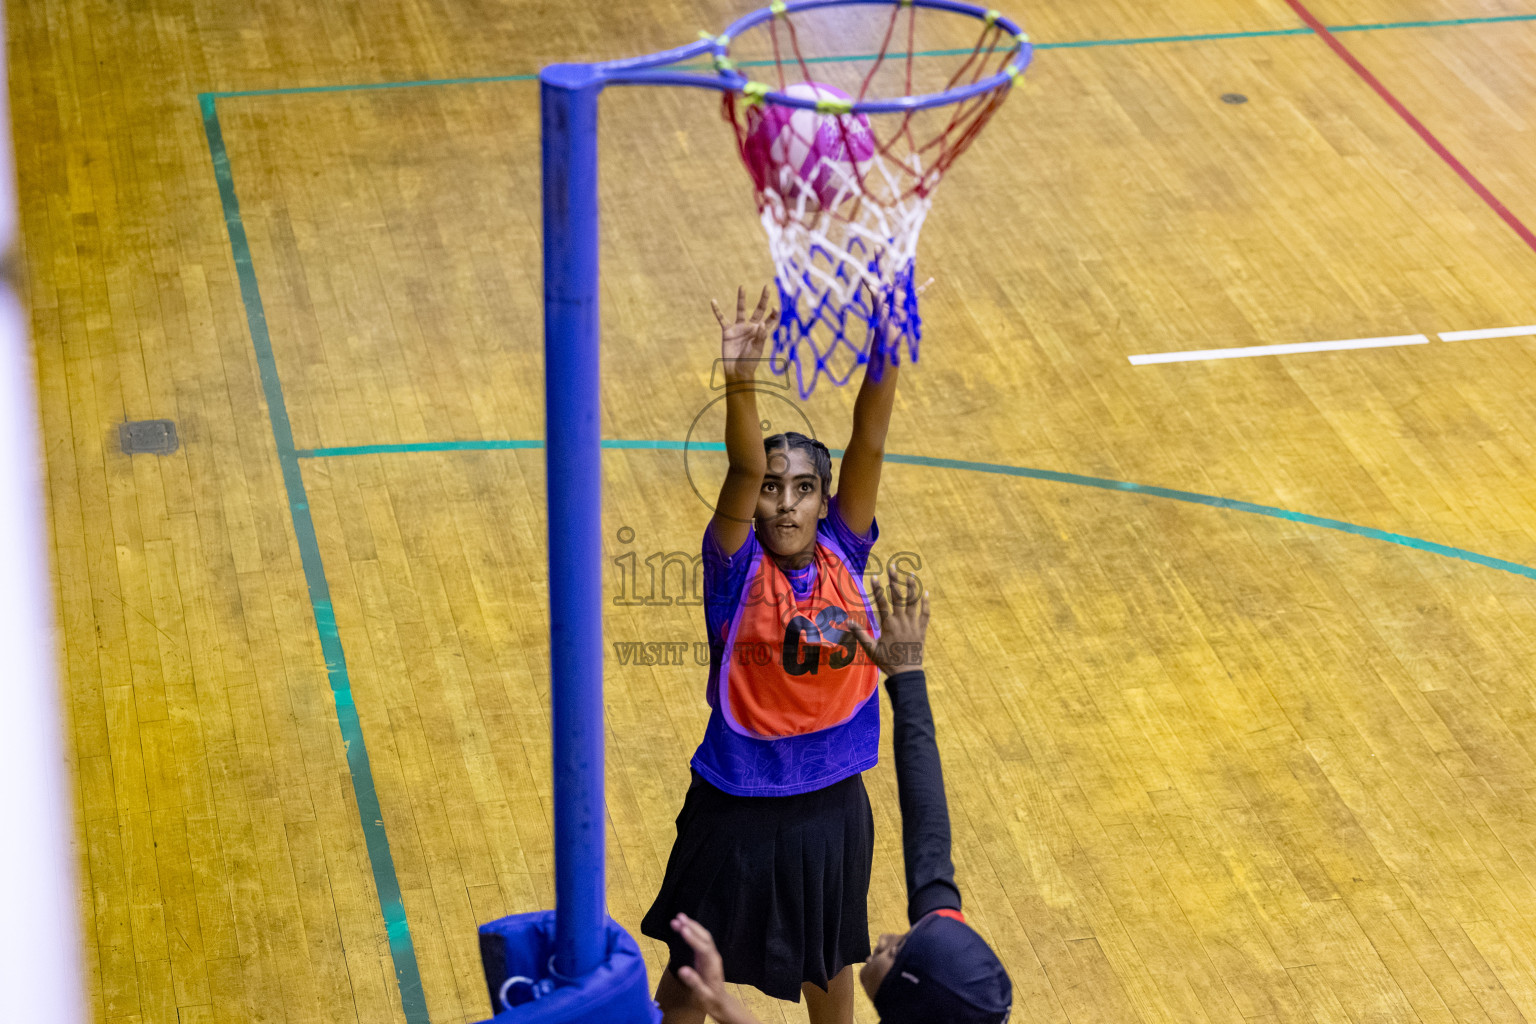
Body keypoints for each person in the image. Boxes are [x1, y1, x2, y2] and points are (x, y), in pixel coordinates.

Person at [641, 285, 901, 1024]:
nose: (784, 502)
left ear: (826, 502)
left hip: (831, 802)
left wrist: (888, 344)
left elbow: (871, 440)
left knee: (831, 959)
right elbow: (743, 469)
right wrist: (739, 381)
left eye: (804, 489)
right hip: (736, 803)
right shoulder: (732, 568)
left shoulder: (845, 550)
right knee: (692, 972)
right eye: (773, 491)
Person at [664, 566, 1014, 1024]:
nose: (887, 938)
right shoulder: (946, 981)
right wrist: (907, 675)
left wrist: (722, 1004)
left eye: (899, 952)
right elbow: (927, 818)